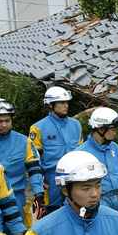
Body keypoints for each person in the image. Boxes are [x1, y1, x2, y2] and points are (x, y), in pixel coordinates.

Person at [0, 98, 46, 226]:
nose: (4, 125)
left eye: (7, 121)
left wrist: (39, 194)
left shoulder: (23, 142)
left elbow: (34, 168)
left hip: (16, 198)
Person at [29, 86, 81, 214]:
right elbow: (34, 160)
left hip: (74, 177)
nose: (66, 106)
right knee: (51, 214)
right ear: (51, 105)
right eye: (61, 103)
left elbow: (81, 152)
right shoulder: (38, 128)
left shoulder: (76, 125)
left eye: (67, 102)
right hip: (51, 180)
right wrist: (39, 190)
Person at [74, 108, 118, 213]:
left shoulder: (116, 149)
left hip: (117, 199)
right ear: (101, 129)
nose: (115, 132)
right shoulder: (81, 154)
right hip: (97, 201)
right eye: (113, 129)